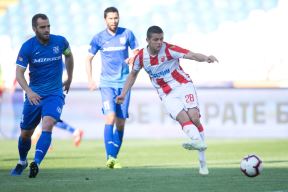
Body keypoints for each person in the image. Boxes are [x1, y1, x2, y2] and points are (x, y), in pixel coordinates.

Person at [116, 26, 218, 175]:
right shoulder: (141, 57)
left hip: (183, 85)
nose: (159, 42)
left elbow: (192, 55)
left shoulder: (170, 49)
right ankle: (198, 144)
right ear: (148, 40)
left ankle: (202, 160)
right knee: (183, 119)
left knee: (194, 117)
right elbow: (133, 75)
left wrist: (206, 58)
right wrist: (123, 94)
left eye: (161, 39)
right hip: (166, 94)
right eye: (155, 40)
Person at [10, 13, 74, 178]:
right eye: (42, 27)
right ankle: (22, 160)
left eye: (48, 26)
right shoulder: (28, 47)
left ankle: (36, 163)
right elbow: (19, 73)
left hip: (54, 94)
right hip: (34, 95)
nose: (47, 30)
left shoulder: (60, 42)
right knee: (25, 134)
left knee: (48, 125)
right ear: (34, 29)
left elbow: (69, 55)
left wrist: (69, 78)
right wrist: (29, 92)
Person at [86, 7, 139, 169]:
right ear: (105, 20)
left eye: (116, 18)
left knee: (121, 123)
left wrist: (132, 57)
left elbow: (137, 51)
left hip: (124, 85)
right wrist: (90, 80)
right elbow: (88, 59)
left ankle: (113, 157)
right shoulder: (98, 38)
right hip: (107, 84)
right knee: (110, 117)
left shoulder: (127, 34)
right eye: (110, 18)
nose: (114, 21)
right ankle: (110, 157)